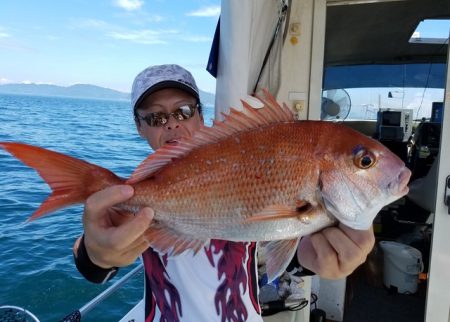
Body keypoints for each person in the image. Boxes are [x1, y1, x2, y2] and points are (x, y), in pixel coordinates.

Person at [73, 64, 375, 321]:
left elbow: (285, 244)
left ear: (200, 116)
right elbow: (92, 264)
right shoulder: (135, 197)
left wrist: (320, 255)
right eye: (156, 118)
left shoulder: (243, 170)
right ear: (140, 127)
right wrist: (98, 254)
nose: (173, 125)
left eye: (184, 111)